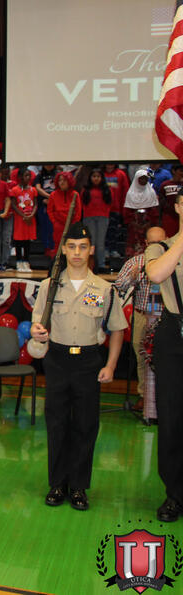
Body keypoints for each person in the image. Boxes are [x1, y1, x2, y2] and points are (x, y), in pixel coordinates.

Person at [30, 222, 126, 511]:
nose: (76, 252)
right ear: (63, 249)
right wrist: (37, 332)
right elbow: (37, 322)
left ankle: (79, 486)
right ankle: (58, 483)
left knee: (85, 425)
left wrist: (110, 365)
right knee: (57, 423)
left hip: (88, 361)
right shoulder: (49, 286)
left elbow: (117, 329)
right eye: (71, 246)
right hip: (58, 360)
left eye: (82, 247)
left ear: (91, 250)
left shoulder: (104, 289)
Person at [145, 198, 183, 521]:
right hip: (174, 333)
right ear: (179, 207)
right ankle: (175, 493)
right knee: (171, 416)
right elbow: (157, 274)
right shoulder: (161, 247)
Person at [115, 226, 166, 415]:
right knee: (141, 356)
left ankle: (163, 396)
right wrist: (132, 277)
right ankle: (144, 395)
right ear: (145, 244)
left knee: (165, 358)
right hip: (141, 315)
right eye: (152, 243)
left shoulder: (173, 261)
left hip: (165, 316)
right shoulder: (136, 262)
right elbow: (118, 287)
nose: (156, 246)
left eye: (160, 243)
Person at [81, 168, 113, 272]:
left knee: (100, 243)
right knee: (91, 242)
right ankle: (89, 264)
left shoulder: (107, 190)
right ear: (90, 178)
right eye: (94, 176)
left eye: (98, 176)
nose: (96, 178)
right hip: (89, 218)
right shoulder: (85, 190)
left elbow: (110, 204)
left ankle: (101, 265)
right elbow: (82, 204)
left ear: (102, 178)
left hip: (102, 218)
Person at [123, 169, 160, 258]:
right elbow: (127, 212)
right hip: (134, 226)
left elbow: (154, 211)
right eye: (141, 178)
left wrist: (148, 222)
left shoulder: (151, 192)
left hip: (148, 225)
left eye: (145, 179)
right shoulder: (130, 193)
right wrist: (134, 223)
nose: (143, 181)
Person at [9, 166, 39, 272]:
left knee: (27, 241)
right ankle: (19, 262)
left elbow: (35, 204)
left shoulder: (33, 190)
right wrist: (23, 215)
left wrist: (31, 215)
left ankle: (26, 261)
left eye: (29, 176)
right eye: (26, 175)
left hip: (30, 219)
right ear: (20, 177)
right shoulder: (15, 190)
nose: (28, 178)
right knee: (19, 241)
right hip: (20, 219)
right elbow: (13, 205)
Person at [48, 171, 82, 259]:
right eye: (60, 180)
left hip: (71, 225)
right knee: (58, 246)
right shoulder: (53, 195)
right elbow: (50, 211)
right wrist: (54, 222)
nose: (62, 182)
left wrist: (74, 224)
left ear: (69, 181)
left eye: (64, 180)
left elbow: (78, 211)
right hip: (58, 225)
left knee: (71, 246)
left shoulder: (75, 194)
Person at [159, 165, 183, 237]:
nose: (182, 173)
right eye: (181, 171)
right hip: (169, 217)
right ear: (173, 171)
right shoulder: (165, 184)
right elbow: (161, 201)